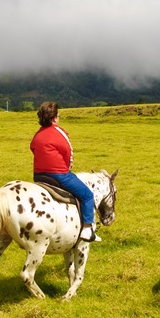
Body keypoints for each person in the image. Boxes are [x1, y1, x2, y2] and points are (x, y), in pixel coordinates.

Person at [30, 101, 101, 242]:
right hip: (59, 174)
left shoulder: (37, 134)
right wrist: (67, 168)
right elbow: (68, 152)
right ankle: (87, 228)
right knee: (87, 195)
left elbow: (33, 148)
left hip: (38, 175)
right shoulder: (59, 132)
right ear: (55, 117)